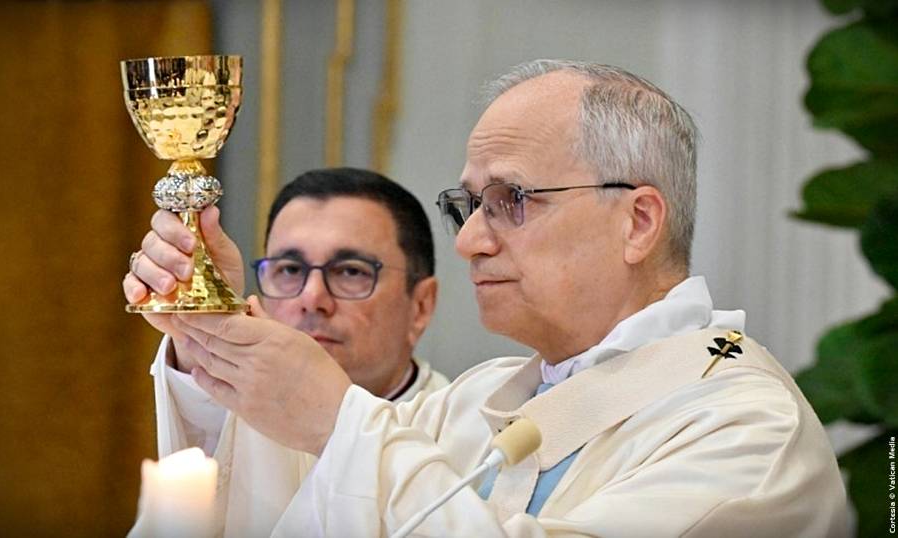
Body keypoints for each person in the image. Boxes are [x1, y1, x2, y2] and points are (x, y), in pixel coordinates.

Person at [136, 61, 848, 536]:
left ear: (637, 222)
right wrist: (210, 326)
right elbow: (291, 501)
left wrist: (335, 419)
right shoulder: (477, 401)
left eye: (511, 200)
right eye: (468, 206)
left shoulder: (747, 430)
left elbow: (356, 458)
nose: (470, 241)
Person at [123, 168, 448, 536]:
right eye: (290, 269)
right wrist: (201, 328)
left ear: (421, 306)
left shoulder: (464, 443)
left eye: (351, 272)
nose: (312, 297)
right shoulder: (243, 425)